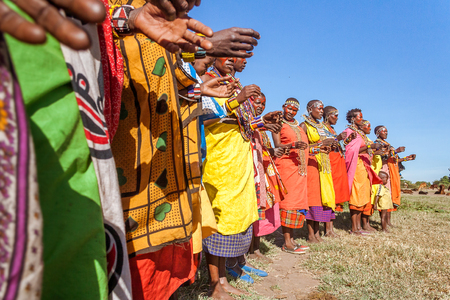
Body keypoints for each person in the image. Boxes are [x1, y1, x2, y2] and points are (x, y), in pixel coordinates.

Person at [202, 57, 280, 298]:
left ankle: (225, 277)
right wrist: (237, 99)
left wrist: (260, 122)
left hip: (237, 160)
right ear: (215, 56)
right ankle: (214, 282)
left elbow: (237, 123)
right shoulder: (207, 81)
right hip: (220, 160)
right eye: (232, 57)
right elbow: (203, 116)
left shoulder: (233, 83)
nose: (238, 62)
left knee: (235, 216)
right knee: (219, 218)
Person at [248, 93, 285, 264]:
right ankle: (248, 250)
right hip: (250, 172)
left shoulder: (262, 127)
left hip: (262, 172)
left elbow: (262, 148)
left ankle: (255, 248)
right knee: (251, 211)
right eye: (257, 103)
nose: (261, 106)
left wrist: (271, 152)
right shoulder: (248, 122)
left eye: (264, 104)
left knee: (260, 210)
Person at [272, 98, 310, 253]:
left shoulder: (298, 126)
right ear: (283, 107)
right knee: (288, 204)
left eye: (295, 110)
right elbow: (277, 145)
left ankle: (292, 240)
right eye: (289, 108)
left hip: (299, 170)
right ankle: (287, 243)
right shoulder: (277, 123)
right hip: (286, 167)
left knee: (296, 205)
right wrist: (292, 145)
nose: (292, 112)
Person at [300, 100, 336, 243]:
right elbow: (302, 147)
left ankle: (317, 233)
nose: (321, 111)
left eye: (322, 109)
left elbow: (326, 144)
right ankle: (310, 235)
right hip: (311, 164)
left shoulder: (322, 127)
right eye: (318, 108)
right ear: (310, 109)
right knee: (313, 198)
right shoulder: (304, 125)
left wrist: (331, 145)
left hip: (324, 166)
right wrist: (321, 144)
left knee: (321, 198)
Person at [343, 111, 381, 235]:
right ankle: (354, 228)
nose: (362, 119)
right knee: (356, 195)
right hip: (356, 166)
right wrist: (369, 147)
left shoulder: (360, 133)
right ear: (353, 119)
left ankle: (360, 227)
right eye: (360, 117)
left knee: (363, 195)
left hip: (364, 167)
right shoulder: (349, 132)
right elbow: (349, 150)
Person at [322, 106, 356, 237]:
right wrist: (338, 139)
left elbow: (337, 144)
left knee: (335, 194)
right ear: (327, 115)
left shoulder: (331, 129)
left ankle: (331, 228)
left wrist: (348, 139)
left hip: (337, 160)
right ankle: (328, 229)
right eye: (334, 115)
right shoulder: (322, 128)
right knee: (330, 193)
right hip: (330, 162)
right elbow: (324, 144)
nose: (337, 118)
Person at [374, 125, 416, 225]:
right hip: (384, 170)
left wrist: (407, 158)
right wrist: (396, 150)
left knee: (390, 196)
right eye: (383, 131)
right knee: (385, 195)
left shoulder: (388, 144)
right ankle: (384, 222)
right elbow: (382, 156)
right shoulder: (377, 143)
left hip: (391, 171)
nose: (386, 133)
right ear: (377, 133)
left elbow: (394, 159)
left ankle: (388, 222)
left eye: (387, 131)